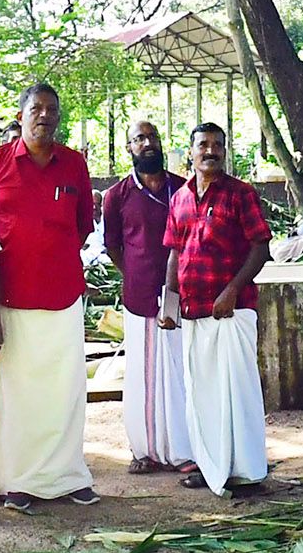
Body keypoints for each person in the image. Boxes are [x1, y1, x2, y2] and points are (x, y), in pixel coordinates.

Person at [0, 83, 97, 510]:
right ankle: (19, 480)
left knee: (65, 391)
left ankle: (67, 476)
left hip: (63, 296)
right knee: (18, 394)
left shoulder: (74, 165)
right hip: (11, 300)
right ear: (22, 114)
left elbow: (83, 227)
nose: (44, 115)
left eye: (51, 109)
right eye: (36, 108)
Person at [161, 123, 271, 498]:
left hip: (232, 311)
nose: (211, 151)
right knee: (201, 394)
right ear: (190, 152)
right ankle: (212, 468)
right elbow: (175, 251)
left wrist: (232, 291)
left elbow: (261, 248)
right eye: (203, 145)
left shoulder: (241, 195)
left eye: (217, 145)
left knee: (237, 393)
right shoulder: (180, 199)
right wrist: (169, 302)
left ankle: (247, 472)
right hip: (193, 313)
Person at [100, 121, 189, 475]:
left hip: (184, 295)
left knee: (181, 372)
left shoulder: (182, 189)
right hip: (140, 298)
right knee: (143, 376)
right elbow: (112, 245)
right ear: (129, 149)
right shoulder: (117, 196)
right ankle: (146, 450)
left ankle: (185, 451)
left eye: (153, 137)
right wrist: (136, 275)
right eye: (139, 139)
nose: (148, 143)